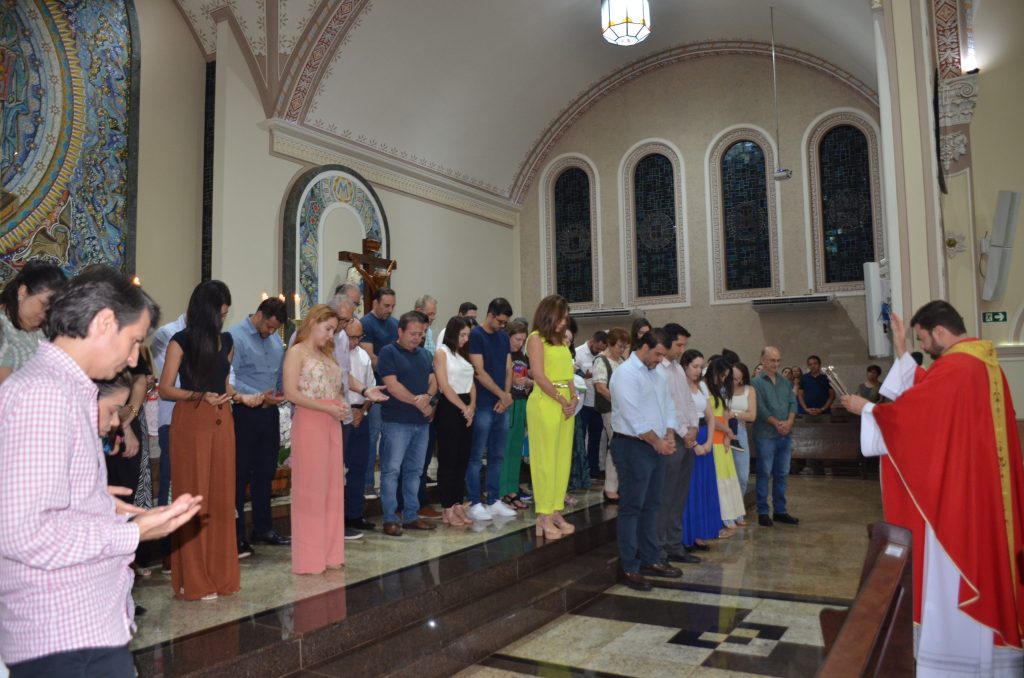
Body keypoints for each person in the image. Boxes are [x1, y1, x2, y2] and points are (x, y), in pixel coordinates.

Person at [0, 266, 202, 676]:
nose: (133, 358)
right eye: (134, 341)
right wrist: (134, 532)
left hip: (82, 626)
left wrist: (98, 502)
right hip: (62, 633)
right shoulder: (44, 394)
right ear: (105, 322)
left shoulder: (68, 390)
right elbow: (23, 534)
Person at [842, 302, 1024, 676]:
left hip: (959, 499)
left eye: (923, 340)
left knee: (955, 572)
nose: (924, 347)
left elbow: (916, 417)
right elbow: (929, 395)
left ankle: (956, 663)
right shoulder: (982, 363)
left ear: (940, 331)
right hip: (978, 491)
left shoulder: (958, 367)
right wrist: (902, 350)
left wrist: (867, 410)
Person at [159, 280, 263, 600]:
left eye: (226, 313)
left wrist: (242, 398)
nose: (223, 318)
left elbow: (224, 385)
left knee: (220, 499)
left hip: (222, 421)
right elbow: (165, 388)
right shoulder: (180, 341)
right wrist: (199, 395)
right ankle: (192, 578)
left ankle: (219, 574)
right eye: (220, 313)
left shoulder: (227, 341)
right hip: (191, 421)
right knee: (194, 497)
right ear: (206, 310)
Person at [609, 328, 682, 591]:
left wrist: (669, 433)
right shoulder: (625, 374)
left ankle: (651, 558)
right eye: (658, 354)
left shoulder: (657, 373)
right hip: (632, 446)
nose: (660, 360)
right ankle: (629, 565)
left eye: (663, 355)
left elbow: (668, 406)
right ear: (644, 347)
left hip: (655, 445)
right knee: (632, 506)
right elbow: (634, 417)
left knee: (652, 504)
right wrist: (658, 442)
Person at [282, 304, 347, 574]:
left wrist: (341, 403)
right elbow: (290, 393)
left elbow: (335, 388)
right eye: (328, 329)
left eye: (333, 330)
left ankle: (331, 553)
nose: (331, 335)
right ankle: (310, 558)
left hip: (332, 422)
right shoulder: (296, 352)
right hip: (310, 422)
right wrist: (326, 408)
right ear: (313, 323)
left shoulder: (326, 354)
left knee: (332, 489)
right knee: (311, 491)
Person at [227, 297, 290, 555]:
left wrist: (281, 393)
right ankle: (236, 535)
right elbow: (230, 378)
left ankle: (263, 529)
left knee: (265, 473)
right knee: (240, 474)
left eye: (275, 329)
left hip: (268, 413)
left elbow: (278, 376)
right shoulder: (235, 336)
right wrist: (256, 394)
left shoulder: (274, 341)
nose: (271, 332)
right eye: (269, 326)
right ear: (259, 315)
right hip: (244, 412)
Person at [377, 311, 438, 535]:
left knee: (415, 471)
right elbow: (392, 386)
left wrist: (429, 398)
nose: (417, 338)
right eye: (413, 333)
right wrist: (418, 402)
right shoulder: (388, 352)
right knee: (391, 471)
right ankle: (390, 518)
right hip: (396, 422)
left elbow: (434, 380)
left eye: (421, 334)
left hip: (421, 424)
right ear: (400, 331)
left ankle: (411, 515)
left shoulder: (425, 355)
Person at [526, 295, 578, 540]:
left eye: (566, 317)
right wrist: (560, 399)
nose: (564, 322)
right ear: (548, 316)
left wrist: (574, 398)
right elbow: (538, 375)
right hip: (545, 402)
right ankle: (543, 515)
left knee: (561, 459)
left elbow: (569, 376)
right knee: (545, 459)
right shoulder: (536, 339)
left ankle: (556, 509)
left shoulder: (562, 343)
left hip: (565, 403)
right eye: (561, 317)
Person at [465, 298, 517, 521]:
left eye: (505, 322)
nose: (503, 325)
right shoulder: (476, 335)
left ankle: (494, 500)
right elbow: (479, 371)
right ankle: (474, 502)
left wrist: (506, 396)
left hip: (500, 404)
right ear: (490, 315)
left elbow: (508, 368)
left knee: (497, 455)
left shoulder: (503, 337)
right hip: (483, 403)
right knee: (477, 456)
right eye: (500, 321)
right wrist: (501, 394)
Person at [654, 323, 700, 565]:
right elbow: (666, 406)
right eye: (679, 345)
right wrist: (684, 432)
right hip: (671, 438)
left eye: (684, 345)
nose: (682, 350)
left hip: (686, 438)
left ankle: (675, 545)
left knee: (679, 496)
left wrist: (694, 427)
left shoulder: (678, 370)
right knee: (665, 496)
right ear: (667, 342)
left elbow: (688, 402)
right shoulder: (658, 369)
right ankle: (660, 548)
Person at [433, 316, 476, 526]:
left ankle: (458, 503)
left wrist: (472, 406)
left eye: (468, 335)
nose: (466, 339)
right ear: (452, 333)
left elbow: (471, 383)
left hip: (466, 406)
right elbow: (444, 385)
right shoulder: (442, 353)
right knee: (448, 459)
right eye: (462, 335)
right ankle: (447, 507)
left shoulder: (463, 354)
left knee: (462, 458)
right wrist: (463, 408)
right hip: (450, 407)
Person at [751, 346, 799, 527]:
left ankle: (780, 511)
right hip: (766, 434)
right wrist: (777, 423)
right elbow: (760, 408)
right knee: (764, 473)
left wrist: (789, 422)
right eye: (772, 360)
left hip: (785, 434)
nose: (776, 364)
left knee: (782, 473)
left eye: (778, 360)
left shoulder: (784, 382)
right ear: (763, 360)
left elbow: (792, 403)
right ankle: (763, 512)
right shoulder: (756, 382)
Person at [0, 260, 67, 384]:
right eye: (43, 304)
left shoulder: (42, 328)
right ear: (23, 292)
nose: (46, 314)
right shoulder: (3, 327)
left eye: (51, 309)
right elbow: (7, 388)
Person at [360, 287, 398, 497]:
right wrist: (392, 368)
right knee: (372, 436)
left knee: (390, 438)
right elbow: (370, 358)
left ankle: (387, 483)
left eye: (392, 306)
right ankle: (367, 482)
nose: (389, 310)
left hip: (392, 390)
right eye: (386, 305)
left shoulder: (395, 324)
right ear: (375, 303)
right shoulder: (366, 323)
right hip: (374, 389)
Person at [681, 349, 720, 551]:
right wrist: (695, 444)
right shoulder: (679, 387)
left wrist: (709, 442)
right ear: (685, 366)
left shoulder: (703, 386)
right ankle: (686, 534)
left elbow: (711, 417)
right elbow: (680, 418)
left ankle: (699, 533)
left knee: (704, 488)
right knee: (689, 489)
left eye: (700, 367)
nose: (698, 370)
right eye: (694, 366)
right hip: (688, 438)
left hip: (705, 436)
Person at [705, 356, 746, 535]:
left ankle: (734, 513)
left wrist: (728, 434)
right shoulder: (705, 388)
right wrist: (727, 430)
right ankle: (724, 516)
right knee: (720, 477)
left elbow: (725, 414)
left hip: (723, 437)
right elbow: (710, 418)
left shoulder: (720, 391)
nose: (723, 379)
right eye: (721, 375)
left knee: (729, 475)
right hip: (713, 436)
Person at [344, 318, 376, 533]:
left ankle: (354, 514)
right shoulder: (334, 354)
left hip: (361, 415)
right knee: (339, 469)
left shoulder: (363, 356)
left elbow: (370, 388)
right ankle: (338, 516)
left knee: (359, 466)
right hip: (340, 415)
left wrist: (362, 411)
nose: (355, 342)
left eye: (358, 337)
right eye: (351, 337)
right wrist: (349, 411)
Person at [592, 327, 628, 502]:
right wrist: (619, 401)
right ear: (610, 344)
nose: (622, 350)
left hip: (623, 410)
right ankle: (610, 487)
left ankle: (618, 485)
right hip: (610, 410)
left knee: (622, 446)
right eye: (620, 346)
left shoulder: (621, 360)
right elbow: (601, 387)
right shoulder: (601, 361)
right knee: (616, 445)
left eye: (624, 347)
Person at [500, 319, 531, 509]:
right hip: (508, 401)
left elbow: (525, 377)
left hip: (521, 401)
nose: (519, 343)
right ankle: (502, 490)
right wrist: (512, 383)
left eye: (522, 340)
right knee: (505, 448)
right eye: (517, 339)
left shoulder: (522, 356)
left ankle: (512, 488)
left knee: (516, 449)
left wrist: (527, 383)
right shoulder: (503, 353)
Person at [574, 330, 608, 481]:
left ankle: (594, 468)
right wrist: (583, 375)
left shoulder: (603, 355)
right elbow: (571, 373)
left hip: (598, 403)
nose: (599, 351)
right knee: (580, 438)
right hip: (582, 403)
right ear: (592, 341)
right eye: (597, 348)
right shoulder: (579, 353)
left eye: (602, 349)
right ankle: (581, 470)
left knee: (596, 438)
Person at [729, 362, 757, 496]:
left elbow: (752, 416)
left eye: (736, 379)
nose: (732, 381)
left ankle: (739, 504)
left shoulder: (749, 390)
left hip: (739, 429)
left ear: (742, 379)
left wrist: (733, 414)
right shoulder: (721, 389)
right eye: (730, 377)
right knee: (724, 474)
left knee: (742, 474)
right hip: (722, 429)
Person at [798, 355, 834, 422]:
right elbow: (800, 395)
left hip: (824, 413)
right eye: (810, 364)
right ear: (808, 366)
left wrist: (822, 409)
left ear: (819, 365)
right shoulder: (804, 378)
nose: (813, 366)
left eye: (815, 364)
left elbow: (832, 396)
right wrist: (805, 409)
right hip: (808, 413)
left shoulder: (826, 378)